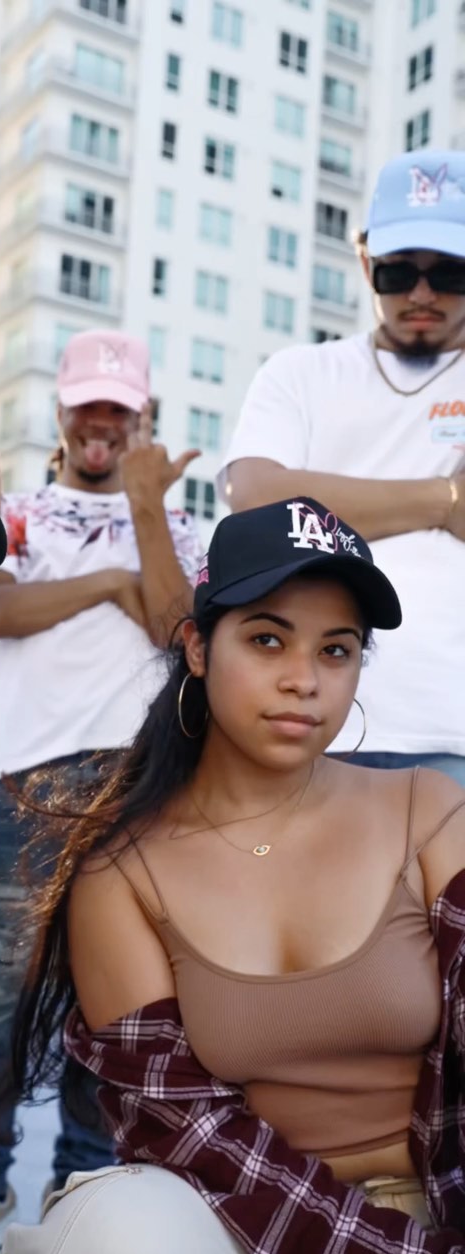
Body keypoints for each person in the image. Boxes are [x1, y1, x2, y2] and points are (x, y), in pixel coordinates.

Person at [2, 496, 465, 1254]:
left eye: (336, 650)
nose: (303, 681)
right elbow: (195, 1139)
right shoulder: (122, 874)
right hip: (236, 1232)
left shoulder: (428, 813)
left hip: (441, 1209)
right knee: (116, 1232)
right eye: (267, 639)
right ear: (197, 647)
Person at [0, 328, 203, 1254]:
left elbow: (177, 632)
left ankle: (83, 1188)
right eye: (87, 405)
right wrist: (106, 579)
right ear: (61, 411)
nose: (101, 422)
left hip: (139, 788)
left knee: (115, 1008)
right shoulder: (18, 514)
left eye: (120, 409)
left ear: (145, 418)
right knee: (8, 1005)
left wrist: (146, 510)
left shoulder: (178, 528)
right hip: (29, 788)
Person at [220, 147, 465, 785]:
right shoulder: (300, 373)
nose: (421, 293)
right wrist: (443, 500)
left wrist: (316, 498)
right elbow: (255, 498)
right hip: (306, 723)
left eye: (449, 273)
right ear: (364, 262)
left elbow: (284, 504)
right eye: (397, 272)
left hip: (453, 731)